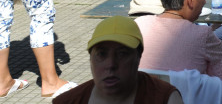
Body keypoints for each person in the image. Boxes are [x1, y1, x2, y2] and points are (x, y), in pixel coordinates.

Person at [53, 16, 182, 104]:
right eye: (102, 54)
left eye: (122, 54)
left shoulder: (165, 99)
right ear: (90, 59)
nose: (111, 64)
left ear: (138, 56)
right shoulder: (67, 101)